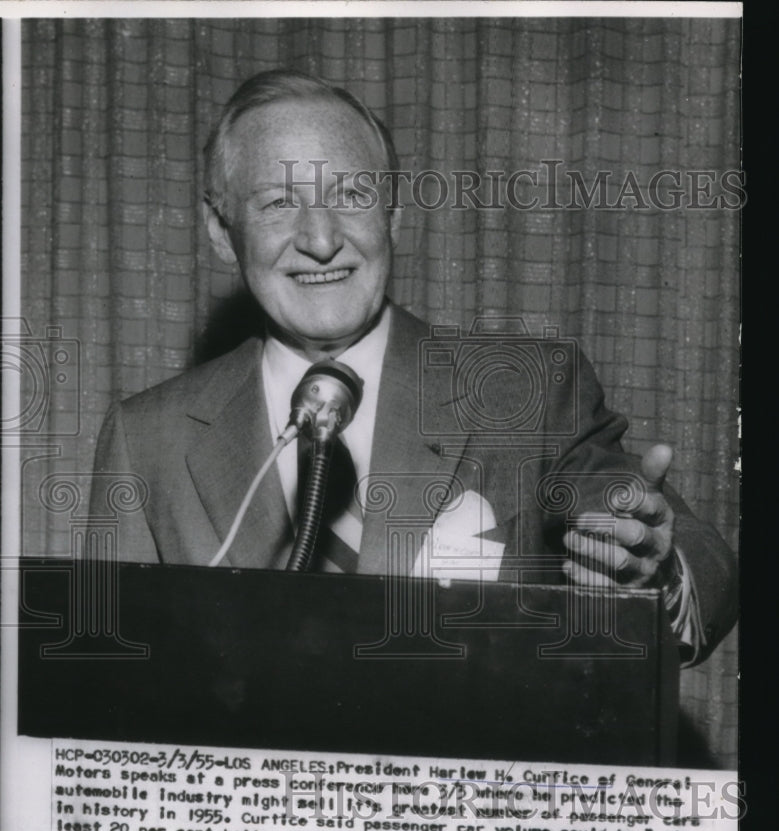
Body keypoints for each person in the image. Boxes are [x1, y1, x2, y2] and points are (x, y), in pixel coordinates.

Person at [90, 69, 737, 667]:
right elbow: (107, 681)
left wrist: (650, 572)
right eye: (278, 202)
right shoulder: (149, 438)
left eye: (349, 193)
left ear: (392, 213)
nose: (319, 239)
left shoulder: (525, 391)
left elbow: (704, 566)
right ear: (217, 228)